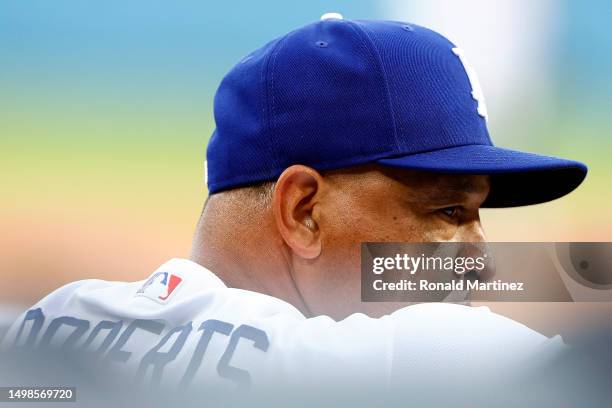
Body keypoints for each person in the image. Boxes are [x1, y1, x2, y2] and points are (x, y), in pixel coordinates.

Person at [1, 13, 589, 404]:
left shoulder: (44, 330)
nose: (482, 261)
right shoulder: (408, 360)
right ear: (302, 210)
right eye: (448, 213)